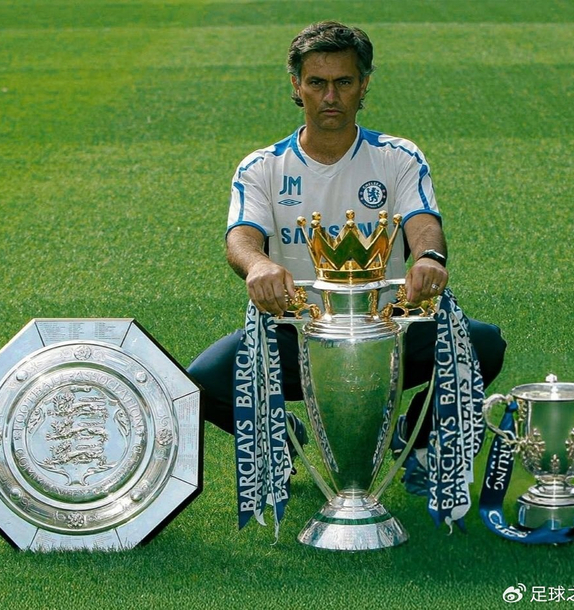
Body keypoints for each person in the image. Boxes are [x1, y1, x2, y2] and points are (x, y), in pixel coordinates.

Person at [188, 21, 506, 479]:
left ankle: (416, 439)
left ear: (364, 85)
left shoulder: (398, 156)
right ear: (296, 86)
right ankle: (281, 438)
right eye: (317, 83)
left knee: (482, 344)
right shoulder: (262, 166)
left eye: (344, 82)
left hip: (388, 326)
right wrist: (257, 265)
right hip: (297, 329)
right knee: (202, 382)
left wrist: (428, 259)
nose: (330, 97)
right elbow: (241, 237)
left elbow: (423, 223)